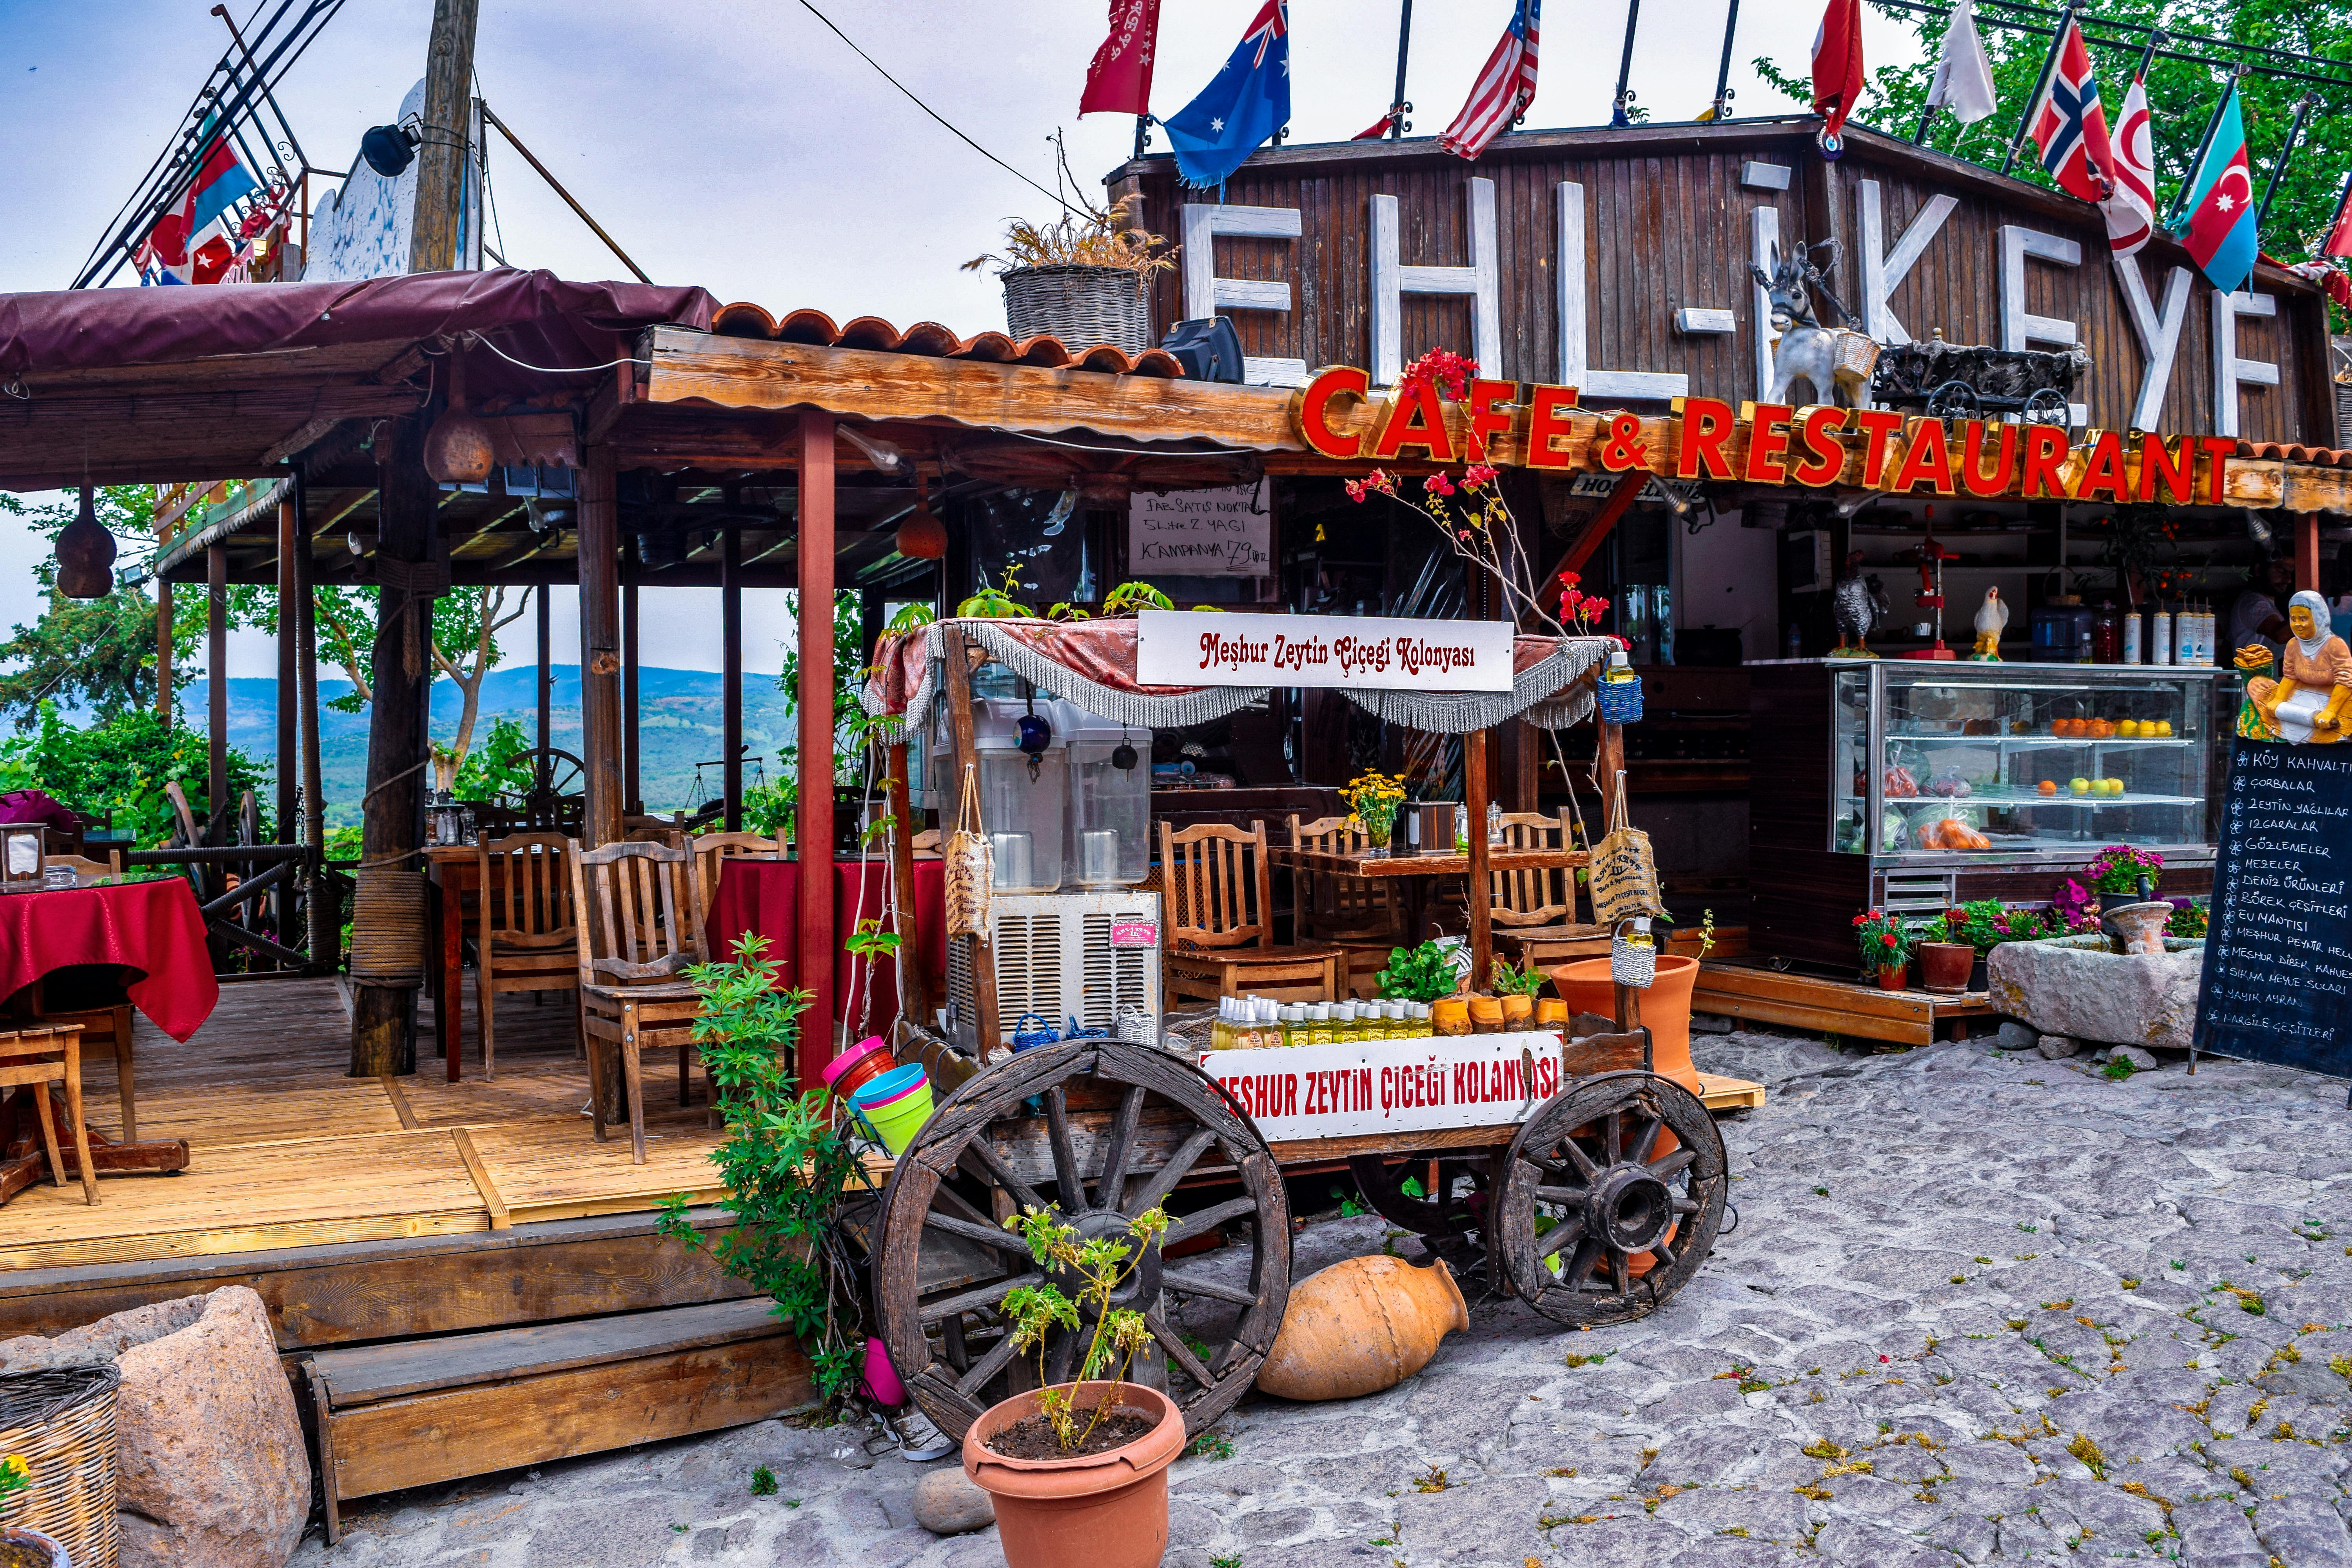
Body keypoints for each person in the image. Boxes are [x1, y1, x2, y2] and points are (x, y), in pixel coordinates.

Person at [2248, 590, 2352, 742]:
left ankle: (2327, 729)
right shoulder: (2293, 644)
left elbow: (2345, 681)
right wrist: (2278, 700)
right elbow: (2290, 677)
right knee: (2256, 684)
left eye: (2303, 619)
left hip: (2333, 699)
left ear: (2318, 619)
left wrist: (2330, 710)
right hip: (2300, 698)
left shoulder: (2335, 645)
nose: (2298, 625)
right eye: (2293, 619)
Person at [2227, 556, 2299, 662]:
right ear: (2259, 570)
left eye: (2290, 573)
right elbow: (2279, 635)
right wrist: (2312, 611)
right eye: (2281, 571)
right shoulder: (2253, 602)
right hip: (2254, 675)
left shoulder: (2267, 604)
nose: (2288, 579)